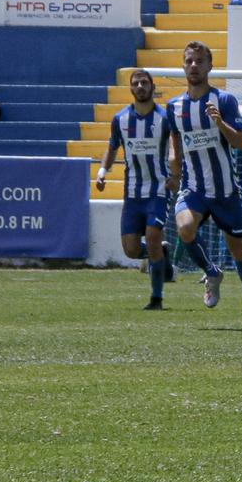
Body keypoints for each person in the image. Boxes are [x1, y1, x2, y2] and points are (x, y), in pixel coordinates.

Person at [165, 41, 242, 331]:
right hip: (193, 188)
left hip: (224, 192)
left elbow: (241, 143)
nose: (193, 66)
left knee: (239, 251)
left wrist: (220, 124)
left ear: (210, 66)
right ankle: (212, 272)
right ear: (183, 66)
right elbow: (175, 142)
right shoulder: (174, 107)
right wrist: (173, 163)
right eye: (189, 61)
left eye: (199, 61)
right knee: (184, 228)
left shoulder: (225, 100)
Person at [96, 69, 178, 309]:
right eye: (136, 83)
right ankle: (161, 256)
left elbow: (175, 149)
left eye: (144, 82)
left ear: (152, 87)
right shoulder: (120, 120)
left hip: (158, 190)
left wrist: (175, 175)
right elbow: (112, 148)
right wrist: (102, 173)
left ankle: (156, 298)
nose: (140, 86)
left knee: (153, 236)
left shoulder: (164, 118)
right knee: (131, 250)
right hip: (132, 193)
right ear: (131, 89)